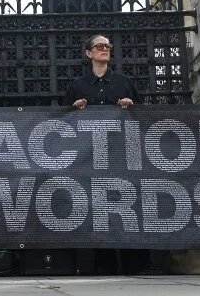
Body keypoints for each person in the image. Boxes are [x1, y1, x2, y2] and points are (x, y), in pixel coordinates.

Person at [64, 34, 144, 274]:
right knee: (99, 209)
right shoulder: (77, 86)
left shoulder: (124, 82)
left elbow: (143, 118)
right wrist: (74, 109)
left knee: (129, 205)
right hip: (91, 158)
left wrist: (131, 106)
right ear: (88, 53)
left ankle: (136, 264)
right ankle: (104, 264)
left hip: (122, 154)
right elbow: (64, 123)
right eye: (99, 46)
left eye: (108, 46)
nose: (105, 49)